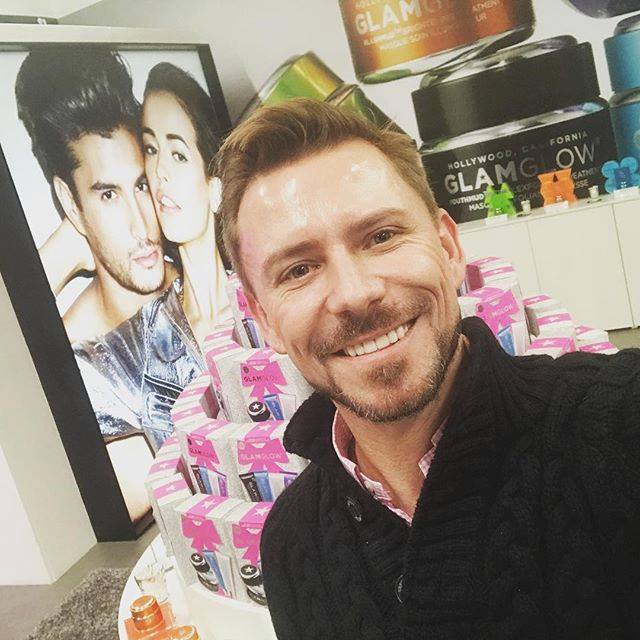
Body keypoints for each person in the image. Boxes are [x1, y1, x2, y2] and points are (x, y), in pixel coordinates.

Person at [213, 99, 640, 639]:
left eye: (382, 236)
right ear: (263, 319)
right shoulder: (291, 546)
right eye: (298, 269)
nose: (355, 293)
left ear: (448, 247)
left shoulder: (623, 424)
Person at [74, 63, 231, 462]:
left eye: (178, 154)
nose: (159, 172)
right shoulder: (138, 347)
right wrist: (71, 242)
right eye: (150, 149)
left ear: (216, 187)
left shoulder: (271, 300)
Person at [15, 46, 176, 344]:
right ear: (70, 203)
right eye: (109, 195)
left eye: (141, 186)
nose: (141, 228)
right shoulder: (73, 350)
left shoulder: (204, 285)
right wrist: (65, 253)